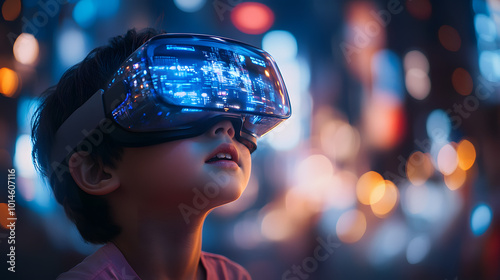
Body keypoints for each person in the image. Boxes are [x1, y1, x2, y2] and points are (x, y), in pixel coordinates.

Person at [31, 28, 291, 280]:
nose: (226, 128)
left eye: (236, 116)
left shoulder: (235, 276)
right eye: (178, 108)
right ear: (97, 170)